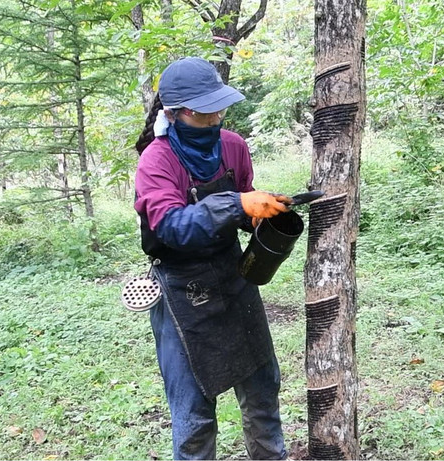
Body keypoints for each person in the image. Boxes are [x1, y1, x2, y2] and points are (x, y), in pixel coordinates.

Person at [133, 57, 291, 460]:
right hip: (181, 288)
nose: (217, 117)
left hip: (234, 277)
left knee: (263, 391)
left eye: (219, 108)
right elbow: (172, 227)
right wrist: (236, 204)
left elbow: (243, 206)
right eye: (206, 112)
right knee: (194, 416)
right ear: (176, 113)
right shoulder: (156, 160)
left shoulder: (233, 146)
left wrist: (262, 213)